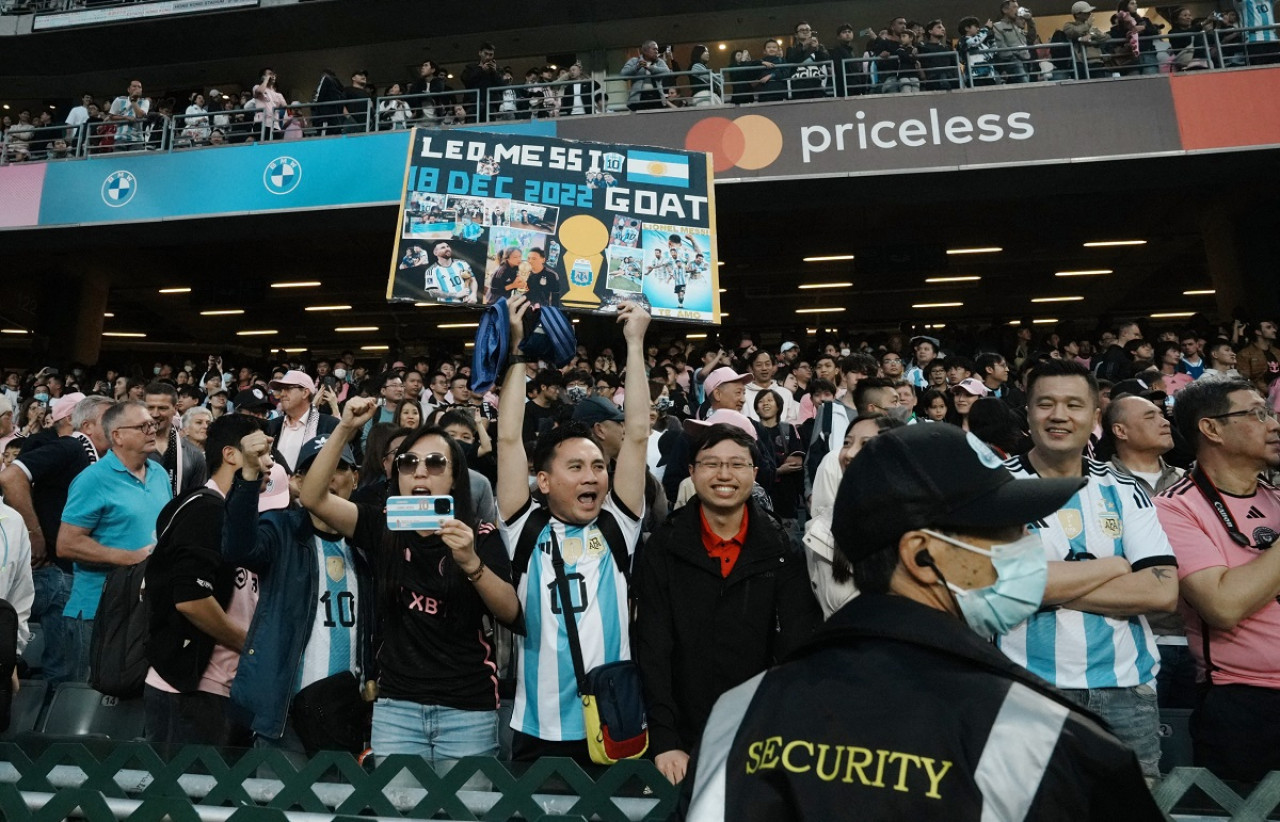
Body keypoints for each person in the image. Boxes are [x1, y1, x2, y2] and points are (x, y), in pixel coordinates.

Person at [679, 423, 1164, 821]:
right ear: (920, 555)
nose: (1030, 549)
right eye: (1007, 534)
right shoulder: (1044, 736)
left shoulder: (739, 713)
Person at [299, 398, 520, 763]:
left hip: (467, 708)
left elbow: (510, 612)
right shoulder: (383, 525)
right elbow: (313, 497)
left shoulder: (478, 534)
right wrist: (345, 428)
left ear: (454, 478)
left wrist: (470, 562)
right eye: (408, 462)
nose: (420, 472)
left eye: (435, 463)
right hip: (397, 707)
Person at [998, 359, 1177, 779]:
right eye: (1046, 403)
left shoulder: (1124, 487)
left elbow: (1162, 591)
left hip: (1125, 692)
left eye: (1074, 405)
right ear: (1027, 412)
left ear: (1095, 417)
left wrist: (1041, 583)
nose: (1059, 415)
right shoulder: (993, 488)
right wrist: (1114, 567)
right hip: (1024, 689)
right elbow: (993, 582)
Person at [495, 293, 650, 764]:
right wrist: (518, 351)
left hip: (615, 719)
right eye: (576, 467)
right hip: (537, 726)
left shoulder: (618, 523)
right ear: (542, 482)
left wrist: (635, 343)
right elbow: (507, 437)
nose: (592, 476)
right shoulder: (525, 526)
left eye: (599, 466)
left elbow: (638, 433)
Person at [635, 423, 821, 785]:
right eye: (711, 464)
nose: (724, 475)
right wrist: (665, 738)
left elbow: (795, 649)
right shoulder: (664, 545)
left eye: (737, 465)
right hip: (684, 738)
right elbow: (654, 645)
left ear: (755, 473)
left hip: (761, 736)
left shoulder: (782, 548)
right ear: (692, 472)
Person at [1154, 379, 1280, 782]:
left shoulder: (1274, 497)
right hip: (1246, 702)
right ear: (1211, 429)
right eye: (1258, 413)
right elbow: (1222, 606)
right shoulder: (1175, 507)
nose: (1274, 424)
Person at [222, 433, 374, 753]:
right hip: (286, 710)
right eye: (318, 468)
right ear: (298, 481)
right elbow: (238, 548)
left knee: (344, 801)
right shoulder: (281, 529)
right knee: (280, 801)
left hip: (353, 711)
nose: (329, 477)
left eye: (340, 467)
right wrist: (249, 477)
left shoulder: (371, 540)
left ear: (356, 477)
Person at [142, 414, 274, 747]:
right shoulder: (206, 509)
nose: (270, 464)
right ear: (232, 455)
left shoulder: (237, 515)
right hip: (192, 689)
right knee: (186, 795)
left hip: (226, 685)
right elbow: (192, 599)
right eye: (261, 452)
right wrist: (250, 647)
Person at [58, 401, 174, 681]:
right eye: (143, 426)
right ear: (118, 436)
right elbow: (67, 544)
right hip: (97, 610)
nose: (152, 430)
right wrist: (130, 557)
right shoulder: (92, 479)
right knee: (88, 699)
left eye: (153, 425)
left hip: (144, 609)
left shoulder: (158, 473)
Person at [265, 370, 339, 473]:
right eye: (281, 390)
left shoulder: (329, 425)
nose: (282, 394)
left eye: (287, 389)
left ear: (305, 393)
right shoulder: (272, 426)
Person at [145, 383, 208, 496]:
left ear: (175, 409)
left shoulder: (193, 455)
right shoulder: (129, 449)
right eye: (150, 407)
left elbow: (195, 502)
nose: (155, 414)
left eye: (162, 408)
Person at [620, 40, 672, 111]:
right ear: (645, 50)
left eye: (657, 49)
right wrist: (636, 67)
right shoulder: (634, 61)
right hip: (639, 98)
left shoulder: (659, 62)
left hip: (656, 97)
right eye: (654, 49)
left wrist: (650, 68)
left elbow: (667, 72)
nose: (656, 51)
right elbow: (623, 75)